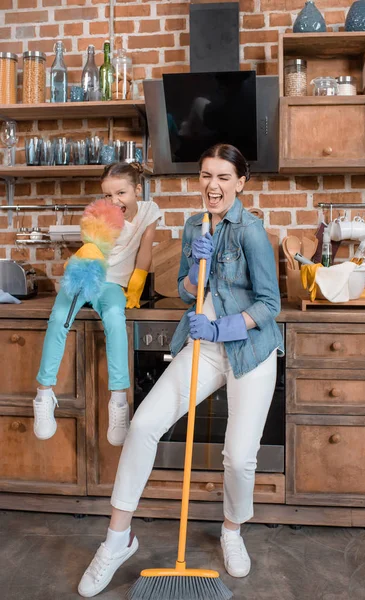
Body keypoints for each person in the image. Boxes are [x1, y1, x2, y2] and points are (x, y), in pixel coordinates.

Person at [77, 144, 283, 598]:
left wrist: (222, 323)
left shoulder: (251, 231)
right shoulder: (194, 226)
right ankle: (117, 541)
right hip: (204, 347)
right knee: (144, 425)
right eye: (207, 175)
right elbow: (187, 290)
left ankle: (231, 531)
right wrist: (193, 273)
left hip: (249, 350)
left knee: (238, 457)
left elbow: (270, 305)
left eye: (224, 177)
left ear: (241, 182)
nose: (213, 185)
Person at [33, 162, 161, 446]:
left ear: (137, 190)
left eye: (121, 193)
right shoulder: (101, 214)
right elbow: (92, 245)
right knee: (58, 320)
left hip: (113, 283)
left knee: (116, 320)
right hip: (85, 274)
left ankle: (118, 401)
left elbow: (145, 250)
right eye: (107, 194)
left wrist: (137, 282)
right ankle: (44, 394)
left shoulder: (150, 212)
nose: (114, 201)